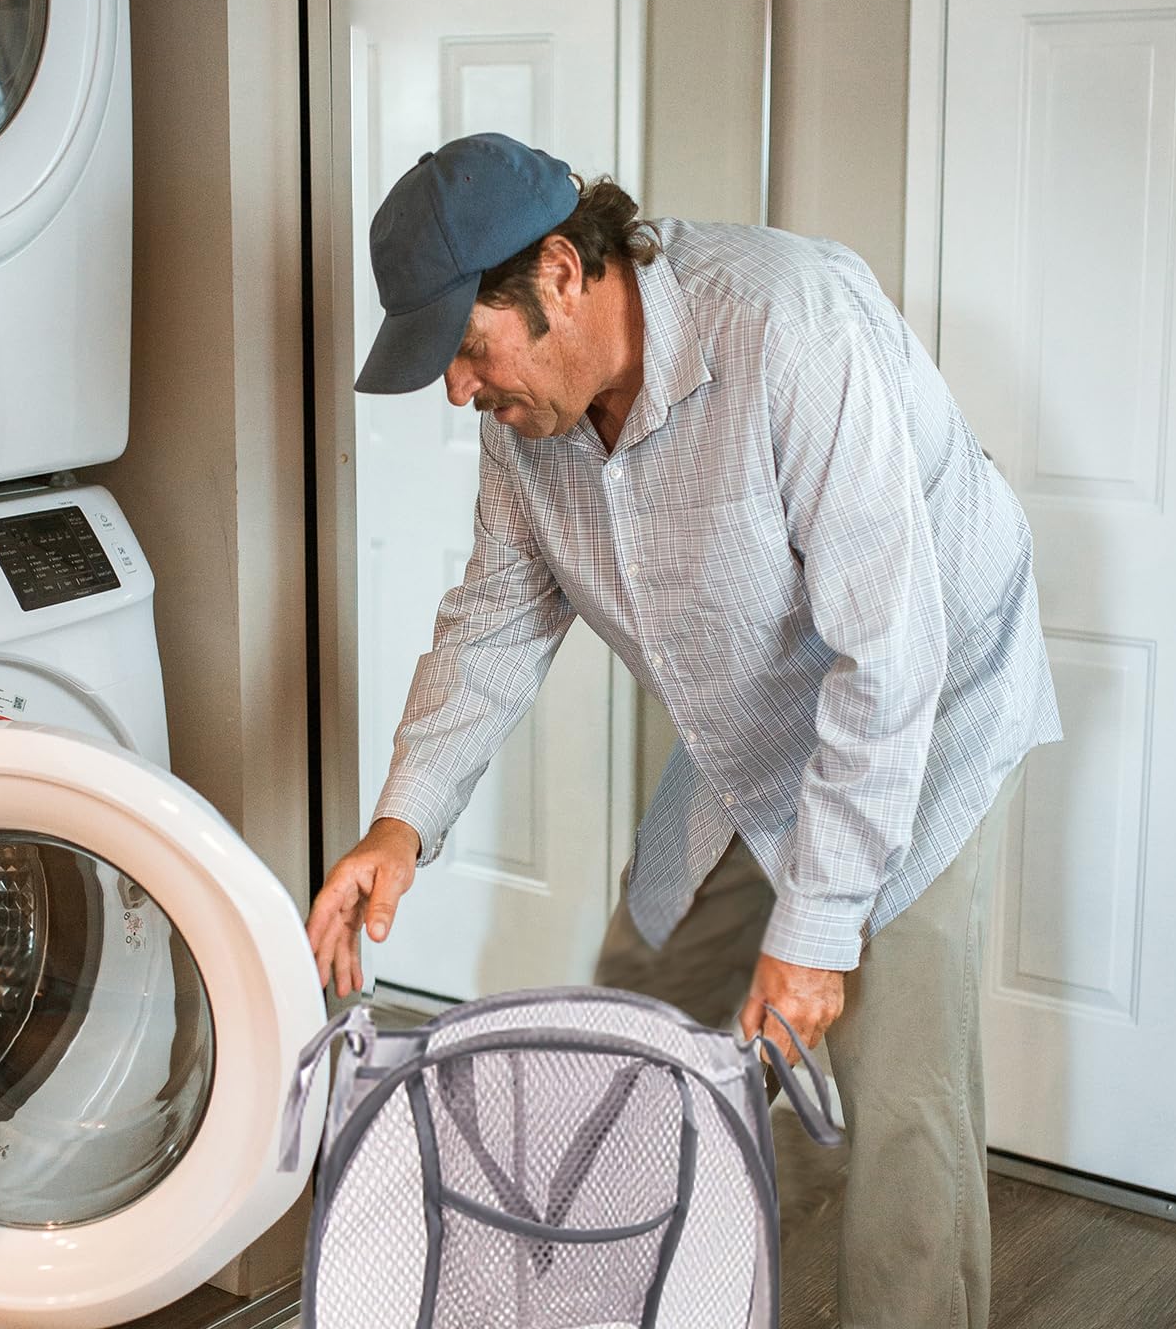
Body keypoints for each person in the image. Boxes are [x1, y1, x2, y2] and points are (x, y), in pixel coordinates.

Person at [306, 131, 1061, 1328]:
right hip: (751, 713)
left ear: (560, 270)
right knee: (631, 1022)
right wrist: (400, 826)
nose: (459, 391)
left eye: (465, 348)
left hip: (922, 701)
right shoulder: (531, 429)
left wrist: (814, 933)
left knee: (899, 1092)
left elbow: (886, 659)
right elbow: (496, 622)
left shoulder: (791, 335)